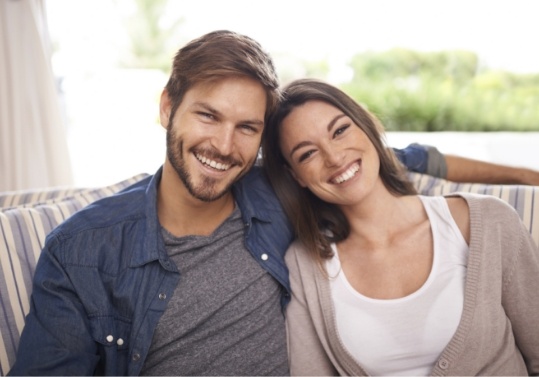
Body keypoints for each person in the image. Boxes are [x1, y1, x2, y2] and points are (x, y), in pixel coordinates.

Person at [7, 30, 538, 376]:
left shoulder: (284, 190)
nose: (223, 145)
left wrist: (524, 174)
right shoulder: (82, 250)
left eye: (247, 128)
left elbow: (395, 157)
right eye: (207, 116)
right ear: (168, 107)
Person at [262, 78, 539, 376]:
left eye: (340, 130)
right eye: (308, 154)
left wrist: (524, 175)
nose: (334, 157)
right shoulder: (305, 266)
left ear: (366, 127)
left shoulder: (489, 222)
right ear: (296, 176)